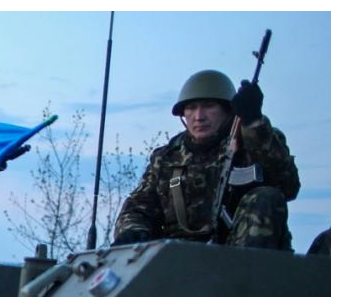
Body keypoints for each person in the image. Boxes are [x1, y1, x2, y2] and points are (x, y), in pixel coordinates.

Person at [113, 70, 300, 250]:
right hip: (180, 256)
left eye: (209, 106)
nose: (199, 117)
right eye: (191, 108)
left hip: (243, 253)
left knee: (266, 196)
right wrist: (132, 231)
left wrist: (254, 123)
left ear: (229, 111)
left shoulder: (256, 139)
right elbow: (138, 207)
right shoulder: (166, 158)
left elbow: (287, 186)